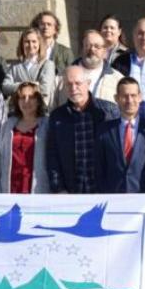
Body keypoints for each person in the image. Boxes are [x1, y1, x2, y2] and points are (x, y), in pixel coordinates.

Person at [46, 66, 119, 194]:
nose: (73, 89)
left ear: (88, 84)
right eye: (69, 84)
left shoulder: (108, 112)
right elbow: (52, 156)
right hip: (71, 192)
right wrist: (59, 188)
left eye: (78, 83)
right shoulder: (57, 117)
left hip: (103, 191)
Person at [96, 77, 145, 194]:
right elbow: (99, 168)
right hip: (113, 198)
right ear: (116, 99)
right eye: (124, 96)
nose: (129, 100)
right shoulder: (103, 131)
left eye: (133, 95)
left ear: (140, 97)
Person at [0, 81, 50, 194]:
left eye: (32, 97)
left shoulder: (47, 125)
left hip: (37, 190)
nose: (26, 101)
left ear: (38, 101)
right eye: (22, 97)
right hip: (10, 188)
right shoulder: (8, 125)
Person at [64, 30, 123, 107]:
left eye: (97, 46)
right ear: (82, 48)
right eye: (88, 45)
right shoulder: (63, 77)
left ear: (104, 51)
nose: (92, 49)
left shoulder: (117, 80)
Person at [2, 29, 57, 107]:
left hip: (39, 111)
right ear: (22, 44)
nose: (31, 45)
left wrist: (17, 86)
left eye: (34, 41)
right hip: (17, 111)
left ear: (39, 44)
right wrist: (33, 84)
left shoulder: (47, 65)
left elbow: (45, 89)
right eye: (27, 42)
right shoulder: (14, 66)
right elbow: (5, 87)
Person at [31, 10, 75, 75]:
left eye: (49, 24)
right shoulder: (31, 50)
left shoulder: (65, 52)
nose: (46, 27)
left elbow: (72, 74)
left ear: (55, 29)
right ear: (37, 28)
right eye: (42, 24)